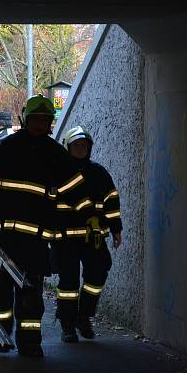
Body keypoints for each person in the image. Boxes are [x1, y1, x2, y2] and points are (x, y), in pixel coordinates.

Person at [0, 95, 90, 358]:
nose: (39, 124)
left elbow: (74, 190)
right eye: (35, 119)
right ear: (25, 119)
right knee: (0, 292)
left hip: (35, 242)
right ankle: (0, 334)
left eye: (44, 120)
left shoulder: (56, 155)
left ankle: (30, 342)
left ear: (50, 123)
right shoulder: (6, 147)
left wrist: (90, 215)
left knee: (31, 296)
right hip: (3, 238)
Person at [53, 126, 123, 343]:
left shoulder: (99, 172)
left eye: (84, 145)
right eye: (77, 145)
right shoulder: (59, 173)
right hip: (65, 238)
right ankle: (67, 325)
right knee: (68, 284)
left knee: (98, 273)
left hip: (93, 237)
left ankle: (83, 316)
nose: (81, 148)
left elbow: (112, 201)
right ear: (68, 147)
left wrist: (116, 229)